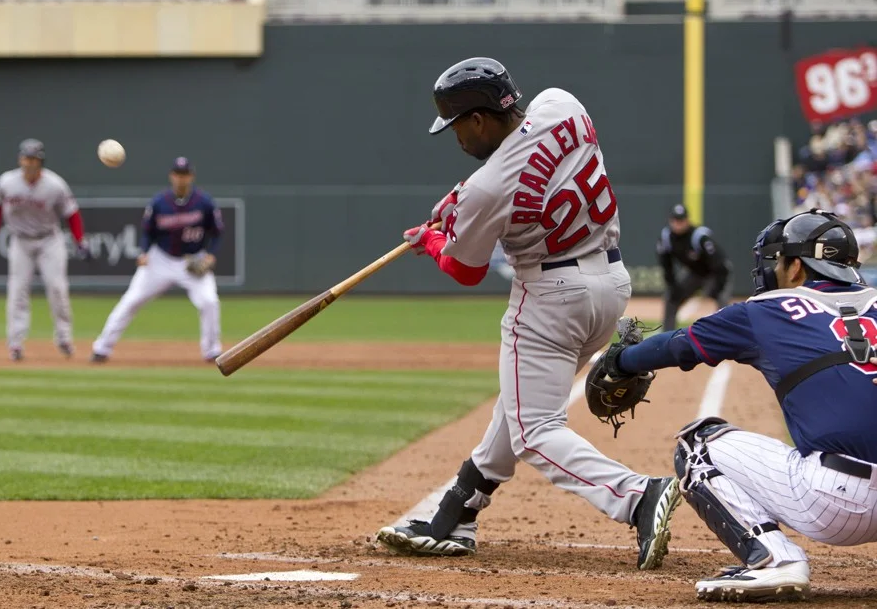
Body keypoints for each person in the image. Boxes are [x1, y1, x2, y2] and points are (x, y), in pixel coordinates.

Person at [375, 57, 681, 570]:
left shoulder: (486, 188)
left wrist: (432, 240)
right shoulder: (562, 104)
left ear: (478, 119)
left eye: (457, 126)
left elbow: (466, 268)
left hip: (549, 296)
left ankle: (636, 496)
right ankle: (460, 509)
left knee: (534, 428)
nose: (456, 139)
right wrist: (458, 200)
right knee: (520, 405)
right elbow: (528, 156)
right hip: (609, 284)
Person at [599, 209, 877, 602]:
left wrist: (619, 362)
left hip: (837, 504)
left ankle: (774, 561)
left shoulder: (766, 311)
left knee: (697, 444)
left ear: (796, 267)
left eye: (778, 260)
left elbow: (679, 345)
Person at [91, 157, 223, 363]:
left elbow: (217, 232)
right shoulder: (159, 202)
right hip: (160, 260)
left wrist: (211, 255)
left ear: (191, 177)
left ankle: (212, 351)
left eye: (185, 174)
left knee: (209, 302)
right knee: (131, 300)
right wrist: (143, 252)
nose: (181, 179)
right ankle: (102, 348)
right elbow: (147, 232)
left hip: (192, 261)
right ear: (172, 176)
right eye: (178, 174)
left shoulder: (204, 202)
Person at [0, 138, 88, 361]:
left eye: (34, 158)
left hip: (49, 241)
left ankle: (64, 338)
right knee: (17, 290)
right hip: (20, 241)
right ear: (20, 159)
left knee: (57, 288)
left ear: (41, 161)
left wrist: (80, 241)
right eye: (26, 158)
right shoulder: (7, 182)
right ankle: (15, 343)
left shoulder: (55, 185)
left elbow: (72, 214)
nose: (29, 163)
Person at [657, 204, 732, 331]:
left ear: (687, 220)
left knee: (722, 302)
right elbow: (666, 265)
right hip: (695, 273)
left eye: (681, 220)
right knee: (671, 298)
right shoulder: (666, 237)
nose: (678, 224)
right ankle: (668, 335)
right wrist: (672, 285)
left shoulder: (699, 236)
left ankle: (726, 333)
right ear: (671, 221)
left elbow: (720, 263)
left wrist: (717, 287)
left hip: (716, 273)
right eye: (675, 220)